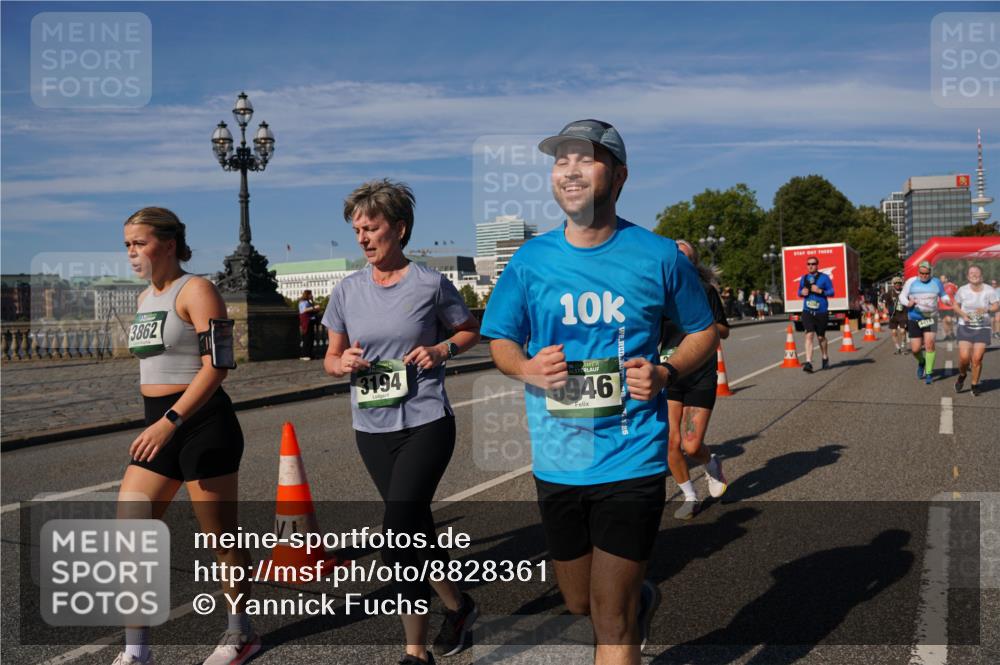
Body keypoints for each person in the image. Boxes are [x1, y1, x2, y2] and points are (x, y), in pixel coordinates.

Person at [481, 119, 717, 664]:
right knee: (578, 605)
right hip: (557, 460)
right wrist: (526, 369)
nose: (569, 170)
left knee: (610, 620)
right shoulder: (531, 259)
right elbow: (499, 340)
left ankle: (627, 616)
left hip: (631, 456)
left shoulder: (658, 256)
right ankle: (641, 602)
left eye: (584, 159)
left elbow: (702, 329)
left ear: (619, 175)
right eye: (560, 161)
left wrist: (663, 371)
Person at [322, 179, 482, 664]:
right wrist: (342, 363)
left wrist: (441, 348)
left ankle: (415, 651)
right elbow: (329, 358)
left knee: (397, 532)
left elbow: (471, 329)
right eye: (356, 231)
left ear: (400, 228)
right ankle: (458, 608)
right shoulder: (347, 291)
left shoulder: (430, 284)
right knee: (417, 530)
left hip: (426, 421)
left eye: (371, 228)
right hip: (372, 428)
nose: (363, 239)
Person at [116, 207, 259, 665]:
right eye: (127, 245)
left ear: (170, 243)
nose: (132, 252)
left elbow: (218, 364)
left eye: (139, 243)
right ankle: (137, 652)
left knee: (221, 538)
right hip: (157, 425)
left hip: (200, 424)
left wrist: (171, 421)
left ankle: (240, 633)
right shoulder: (143, 300)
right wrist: (159, 423)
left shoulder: (196, 289)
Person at [661, 240, 730, 520]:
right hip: (669, 373)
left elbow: (724, 330)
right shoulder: (660, 293)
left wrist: (701, 329)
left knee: (691, 446)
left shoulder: (704, 291)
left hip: (700, 373)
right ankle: (690, 496)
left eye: (683, 254)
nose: (676, 257)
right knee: (671, 443)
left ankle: (711, 462)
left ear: (692, 264)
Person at [899, 261, 951, 385]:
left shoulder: (936, 282)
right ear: (918, 272)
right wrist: (907, 303)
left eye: (926, 273)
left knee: (929, 344)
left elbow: (943, 295)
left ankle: (929, 372)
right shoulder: (911, 282)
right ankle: (921, 361)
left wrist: (947, 300)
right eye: (922, 273)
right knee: (915, 349)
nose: (924, 276)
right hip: (914, 318)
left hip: (931, 318)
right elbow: (902, 296)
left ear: (930, 273)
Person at [953, 265, 999, 396]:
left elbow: (996, 305)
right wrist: (963, 315)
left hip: (983, 327)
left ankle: (974, 384)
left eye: (976, 272)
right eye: (971, 273)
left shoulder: (989, 290)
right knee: (964, 358)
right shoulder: (962, 290)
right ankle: (962, 375)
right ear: (968, 276)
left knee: (977, 359)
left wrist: (987, 309)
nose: (974, 274)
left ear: (982, 276)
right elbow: (955, 305)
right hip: (965, 326)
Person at [797, 255, 834, 373]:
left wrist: (820, 291)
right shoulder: (804, 278)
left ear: (817, 265)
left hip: (821, 311)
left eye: (813, 264)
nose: (811, 266)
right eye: (808, 264)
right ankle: (808, 362)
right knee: (809, 334)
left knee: (820, 337)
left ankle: (825, 356)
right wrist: (802, 292)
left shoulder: (824, 278)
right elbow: (799, 291)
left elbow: (832, 292)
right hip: (807, 310)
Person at [883, 277, 908, 354]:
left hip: (903, 314)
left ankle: (903, 345)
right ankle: (898, 347)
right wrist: (885, 309)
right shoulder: (889, 293)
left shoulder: (905, 292)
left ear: (901, 284)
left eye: (899, 283)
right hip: (893, 315)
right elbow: (884, 302)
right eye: (896, 283)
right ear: (893, 284)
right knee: (894, 332)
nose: (897, 285)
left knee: (903, 331)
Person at [297, 289, 321, 360]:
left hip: (310, 321)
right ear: (307, 295)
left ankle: (309, 354)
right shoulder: (303, 302)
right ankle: (305, 354)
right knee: (307, 338)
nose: (312, 295)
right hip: (307, 322)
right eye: (311, 294)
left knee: (310, 338)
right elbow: (304, 310)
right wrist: (314, 307)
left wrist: (313, 303)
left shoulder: (308, 302)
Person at [938, 274, 958, 341]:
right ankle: (947, 335)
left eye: (942, 278)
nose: (941, 280)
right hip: (941, 306)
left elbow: (957, 294)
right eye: (940, 278)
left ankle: (951, 332)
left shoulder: (951, 286)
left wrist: (956, 304)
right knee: (944, 321)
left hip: (950, 306)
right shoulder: (938, 287)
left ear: (946, 279)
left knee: (949, 320)